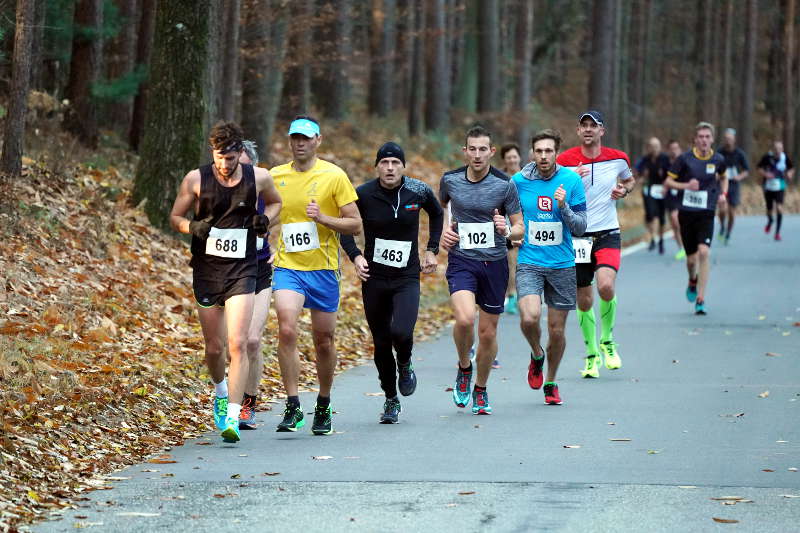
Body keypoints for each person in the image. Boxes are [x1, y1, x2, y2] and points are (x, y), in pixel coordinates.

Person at [169, 122, 282, 443]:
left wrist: (265, 220)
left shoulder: (258, 177)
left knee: (239, 342)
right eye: (220, 158)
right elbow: (174, 217)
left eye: (231, 158)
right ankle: (221, 393)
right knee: (214, 348)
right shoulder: (195, 179)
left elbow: (276, 203)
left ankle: (233, 416)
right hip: (207, 270)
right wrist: (192, 228)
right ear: (212, 153)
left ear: (239, 155)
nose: (225, 165)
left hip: (243, 270)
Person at [270, 116, 361, 435]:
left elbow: (355, 224)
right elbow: (268, 216)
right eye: (295, 137)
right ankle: (293, 404)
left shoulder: (334, 176)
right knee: (286, 326)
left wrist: (323, 217)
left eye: (306, 138)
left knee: (324, 340)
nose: (300, 143)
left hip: (323, 269)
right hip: (288, 267)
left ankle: (323, 403)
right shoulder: (275, 175)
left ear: (318, 140)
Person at [341, 142, 444, 424]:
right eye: (384, 163)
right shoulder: (362, 194)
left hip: (406, 276)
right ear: (377, 167)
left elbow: (437, 214)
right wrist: (356, 256)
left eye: (395, 163)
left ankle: (406, 362)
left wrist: (432, 249)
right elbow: (345, 226)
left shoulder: (418, 191)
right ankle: (390, 399)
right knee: (381, 342)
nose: (389, 168)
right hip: (374, 277)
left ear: (403, 167)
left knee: (401, 330)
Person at [439, 125, 523, 415]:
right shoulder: (450, 180)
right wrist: (442, 235)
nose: (477, 154)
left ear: (491, 151)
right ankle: (465, 367)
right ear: (465, 151)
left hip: (495, 263)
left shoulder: (505, 184)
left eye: (482, 149)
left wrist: (507, 229)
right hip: (462, 260)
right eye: (472, 149)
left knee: (487, 334)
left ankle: (481, 388)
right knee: (463, 320)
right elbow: (441, 211)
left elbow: (519, 227)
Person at [556, 110, 635, 379]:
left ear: (602, 131)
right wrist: (568, 179)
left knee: (606, 285)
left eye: (594, 125)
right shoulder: (563, 161)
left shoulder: (617, 158)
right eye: (583, 125)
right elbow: (549, 189)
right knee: (584, 298)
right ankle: (591, 355)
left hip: (607, 232)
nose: (588, 129)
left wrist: (623, 190)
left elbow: (629, 180)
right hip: (577, 236)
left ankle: (608, 339)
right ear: (578, 131)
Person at [513, 130, 587, 405]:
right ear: (532, 153)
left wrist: (563, 206)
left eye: (549, 151)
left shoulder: (571, 180)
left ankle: (552, 381)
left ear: (557, 153)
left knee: (557, 331)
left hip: (562, 264)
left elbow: (581, 227)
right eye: (539, 151)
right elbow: (510, 218)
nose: (543, 156)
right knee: (529, 318)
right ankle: (536, 354)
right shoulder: (518, 182)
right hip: (530, 261)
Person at [664, 122, 727, 315]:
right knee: (691, 260)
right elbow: (668, 181)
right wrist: (686, 186)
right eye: (701, 136)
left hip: (707, 212)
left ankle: (701, 298)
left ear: (712, 139)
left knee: (704, 252)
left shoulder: (718, 159)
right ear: (695, 139)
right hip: (687, 213)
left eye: (707, 137)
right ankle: (692, 278)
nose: (704, 140)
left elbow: (724, 177)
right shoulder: (684, 159)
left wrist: (724, 194)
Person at [236, 140, 273, 430]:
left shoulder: (265, 186)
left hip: (260, 268)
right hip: (228, 272)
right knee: (228, 345)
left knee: (251, 340)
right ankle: (226, 397)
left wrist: (278, 248)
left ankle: (248, 404)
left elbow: (284, 212)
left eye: (246, 167)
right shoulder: (215, 189)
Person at [634, 137, 670, 254]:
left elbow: (672, 174)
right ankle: (653, 238)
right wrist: (641, 177)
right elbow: (636, 172)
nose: (654, 149)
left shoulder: (665, 159)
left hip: (662, 190)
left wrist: (666, 179)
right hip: (649, 190)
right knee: (651, 215)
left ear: (660, 147)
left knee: (662, 218)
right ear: (648, 148)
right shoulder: (645, 159)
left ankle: (660, 240)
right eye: (652, 146)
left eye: (656, 146)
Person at [715, 128, 750, 244]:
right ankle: (722, 227)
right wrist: (716, 175)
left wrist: (739, 177)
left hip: (734, 185)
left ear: (734, 140)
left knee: (731, 212)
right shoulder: (719, 152)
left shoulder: (739, 153)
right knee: (722, 210)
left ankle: (728, 233)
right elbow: (713, 167)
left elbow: (746, 170)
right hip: (721, 183)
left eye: (730, 139)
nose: (727, 141)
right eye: (726, 138)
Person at [757, 140, 795, 241]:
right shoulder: (767, 157)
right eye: (776, 149)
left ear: (782, 149)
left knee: (779, 208)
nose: (778, 151)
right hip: (768, 186)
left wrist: (790, 174)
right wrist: (766, 174)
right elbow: (759, 168)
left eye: (780, 149)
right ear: (773, 149)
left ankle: (777, 233)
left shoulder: (784, 157)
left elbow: (791, 168)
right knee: (769, 209)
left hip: (780, 186)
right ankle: (770, 220)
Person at [664, 139, 686, 259]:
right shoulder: (665, 162)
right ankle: (681, 248)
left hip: (685, 194)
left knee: (685, 222)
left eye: (676, 148)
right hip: (671, 196)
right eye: (671, 149)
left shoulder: (685, 162)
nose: (674, 151)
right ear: (668, 150)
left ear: (680, 150)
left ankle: (690, 243)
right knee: (674, 220)